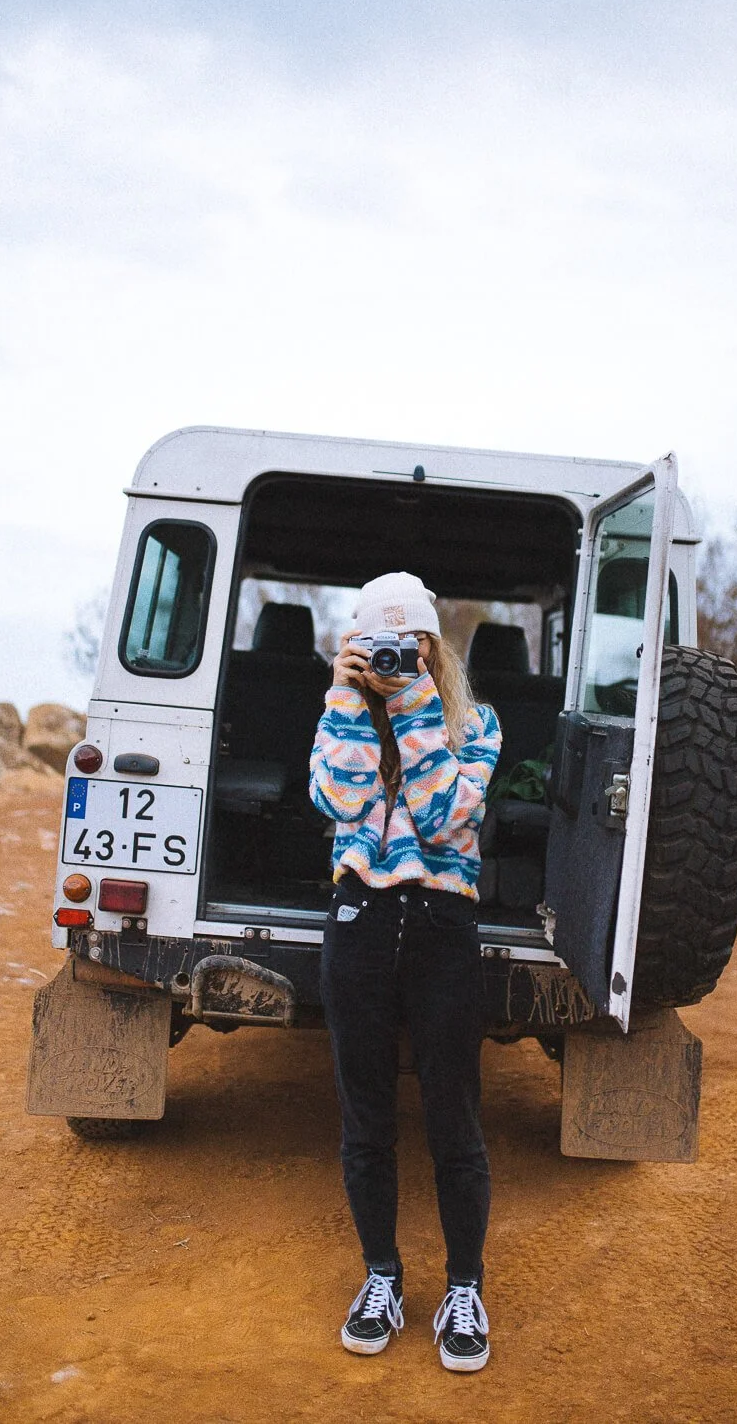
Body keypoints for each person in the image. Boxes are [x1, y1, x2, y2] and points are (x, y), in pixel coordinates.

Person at [309, 571, 502, 1372]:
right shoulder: (341, 714)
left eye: (412, 640)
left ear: (433, 645)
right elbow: (338, 803)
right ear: (355, 646)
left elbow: (447, 816)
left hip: (441, 925)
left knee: (454, 1116)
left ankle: (465, 1286)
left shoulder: (475, 722)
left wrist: (414, 705)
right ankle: (381, 1276)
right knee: (366, 1120)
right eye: (378, 642)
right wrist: (347, 700)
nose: (397, 653)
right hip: (359, 922)